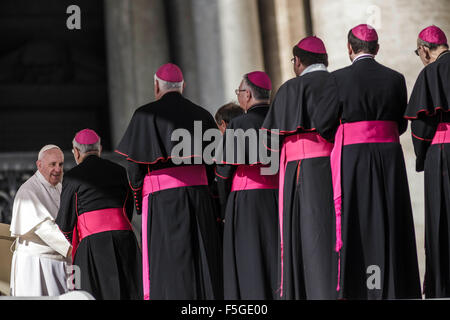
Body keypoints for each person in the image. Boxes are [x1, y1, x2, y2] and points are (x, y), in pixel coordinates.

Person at [312, 24, 421, 299]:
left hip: (354, 157)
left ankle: (364, 288)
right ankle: (396, 286)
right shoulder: (396, 78)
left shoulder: (337, 79)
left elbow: (323, 124)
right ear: (377, 49)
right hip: (389, 156)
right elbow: (400, 123)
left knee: (359, 219)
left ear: (349, 48)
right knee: (391, 215)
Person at [115, 63, 222, 300]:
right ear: (183, 86)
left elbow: (134, 168)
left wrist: (139, 200)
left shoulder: (145, 115)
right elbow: (216, 162)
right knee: (201, 258)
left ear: (156, 85)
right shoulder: (202, 114)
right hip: (199, 198)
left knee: (169, 263)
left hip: (163, 201)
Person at [262, 36, 337, 300]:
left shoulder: (289, 89)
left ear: (298, 61)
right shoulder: (337, 82)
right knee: (329, 230)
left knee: (302, 234)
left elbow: (269, 141)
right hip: (333, 167)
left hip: (295, 172)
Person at [55, 129, 142, 300]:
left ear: (77, 151)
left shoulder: (72, 177)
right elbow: (128, 207)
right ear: (99, 149)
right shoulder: (119, 171)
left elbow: (65, 224)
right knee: (128, 291)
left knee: (95, 294)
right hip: (125, 240)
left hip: (93, 246)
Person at [215, 71, 278, 299]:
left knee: (249, 257)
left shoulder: (239, 124)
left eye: (239, 92)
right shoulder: (281, 117)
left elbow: (223, 173)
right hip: (280, 196)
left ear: (248, 94)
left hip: (247, 200)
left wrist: (222, 210)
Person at [405, 25, 450, 298]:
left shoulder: (430, 73)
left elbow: (421, 129)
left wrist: (422, 157)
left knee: (441, 219)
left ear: (423, 49)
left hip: (443, 154)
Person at [10, 145, 71, 296]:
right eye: (52, 164)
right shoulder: (28, 191)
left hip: (58, 262)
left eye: (61, 164)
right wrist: (73, 247)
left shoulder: (59, 187)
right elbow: (45, 228)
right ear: (39, 165)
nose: (58, 169)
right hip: (37, 265)